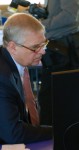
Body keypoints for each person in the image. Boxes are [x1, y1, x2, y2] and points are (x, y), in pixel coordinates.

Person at [0, 13, 52, 144]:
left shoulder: (15, 60)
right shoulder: (3, 78)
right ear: (12, 47)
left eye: (43, 44)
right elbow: (13, 133)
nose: (43, 51)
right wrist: (54, 131)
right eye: (35, 47)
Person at [38, 0, 79, 125]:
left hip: (65, 49)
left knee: (53, 100)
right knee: (51, 100)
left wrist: (42, 24)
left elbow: (70, 16)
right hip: (60, 46)